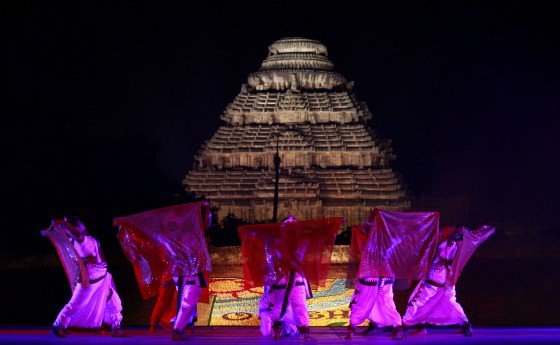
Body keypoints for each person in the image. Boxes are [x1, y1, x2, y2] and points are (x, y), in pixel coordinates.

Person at [114, 202, 213, 342]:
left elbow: (206, 225)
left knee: (188, 304)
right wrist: (125, 224)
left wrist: (207, 209)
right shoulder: (172, 239)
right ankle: (176, 330)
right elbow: (145, 236)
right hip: (185, 276)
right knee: (185, 303)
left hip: (190, 275)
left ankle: (180, 327)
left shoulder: (190, 234)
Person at [239, 215, 344, 341]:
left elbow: (319, 235)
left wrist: (333, 224)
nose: (291, 228)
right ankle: (276, 328)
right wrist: (247, 231)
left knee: (300, 307)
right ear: (282, 228)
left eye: (293, 225)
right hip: (280, 279)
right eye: (288, 225)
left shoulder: (303, 241)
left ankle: (304, 333)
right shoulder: (276, 242)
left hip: (296, 279)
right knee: (277, 307)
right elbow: (261, 241)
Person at [48, 216, 125, 338]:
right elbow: (77, 234)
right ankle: (58, 326)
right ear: (76, 227)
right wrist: (65, 224)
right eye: (81, 224)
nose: (84, 225)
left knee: (114, 301)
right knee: (76, 304)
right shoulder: (79, 240)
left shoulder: (88, 239)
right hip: (90, 279)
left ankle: (114, 326)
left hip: (103, 276)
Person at [402, 226, 473, 336]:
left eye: (447, 228)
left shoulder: (451, 243)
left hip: (437, 275)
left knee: (418, 299)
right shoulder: (446, 241)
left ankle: (406, 324)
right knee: (450, 301)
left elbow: (449, 240)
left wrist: (454, 233)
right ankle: (465, 324)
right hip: (445, 276)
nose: (444, 229)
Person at [345, 210, 404, 340]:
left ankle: (351, 329)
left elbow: (365, 230)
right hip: (386, 276)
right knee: (388, 303)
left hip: (371, 276)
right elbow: (399, 235)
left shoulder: (368, 240)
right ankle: (398, 328)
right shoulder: (390, 240)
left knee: (362, 302)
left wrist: (367, 221)